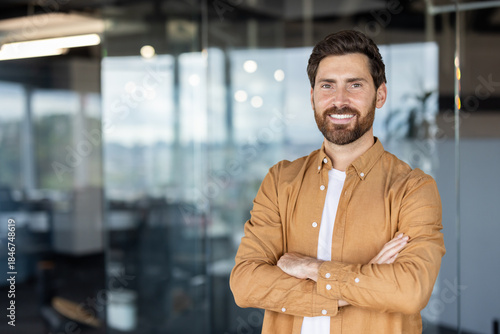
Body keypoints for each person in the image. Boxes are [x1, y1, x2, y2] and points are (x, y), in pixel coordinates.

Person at [230, 30, 445, 334]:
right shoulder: (281, 180)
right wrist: (366, 280)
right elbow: (245, 283)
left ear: (380, 95)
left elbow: (409, 291)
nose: (339, 100)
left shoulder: (413, 188)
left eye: (355, 85)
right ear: (313, 96)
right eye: (327, 86)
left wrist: (310, 268)